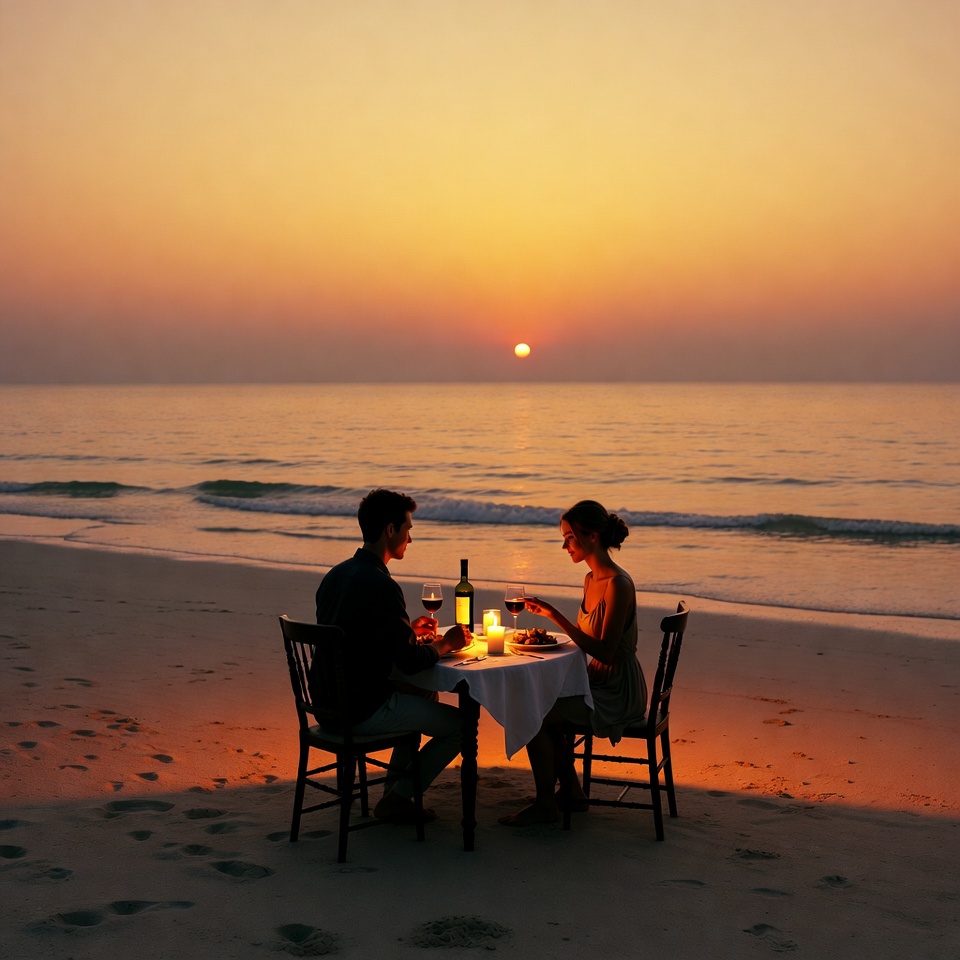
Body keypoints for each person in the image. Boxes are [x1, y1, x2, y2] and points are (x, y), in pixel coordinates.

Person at [314, 488, 471, 824]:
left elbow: (354, 634)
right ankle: (398, 797)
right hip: (361, 709)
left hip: (326, 705)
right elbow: (410, 662)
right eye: (408, 529)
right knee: (462, 726)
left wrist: (407, 631)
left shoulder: (336, 575)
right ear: (390, 530)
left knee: (425, 692)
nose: (410, 538)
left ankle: (393, 794)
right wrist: (446, 644)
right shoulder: (382, 585)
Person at [499, 499, 647, 826]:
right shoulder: (590, 579)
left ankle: (545, 805)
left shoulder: (618, 585)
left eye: (569, 537)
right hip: (595, 680)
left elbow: (606, 651)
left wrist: (555, 615)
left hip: (617, 690)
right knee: (537, 700)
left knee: (533, 713)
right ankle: (572, 794)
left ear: (591, 536)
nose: (565, 545)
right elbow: (586, 639)